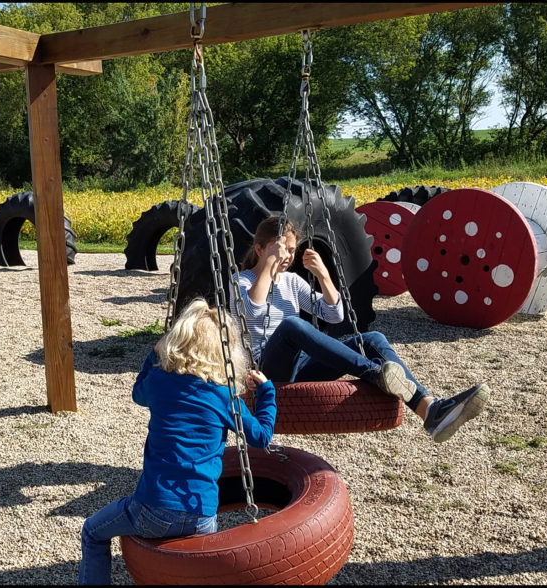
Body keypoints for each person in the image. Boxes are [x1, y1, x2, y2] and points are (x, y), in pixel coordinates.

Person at [233, 215, 488, 444]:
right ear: (259, 249)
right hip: (264, 370)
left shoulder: (291, 282)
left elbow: (334, 314)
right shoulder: (241, 281)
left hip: (299, 366)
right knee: (292, 325)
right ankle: (376, 374)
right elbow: (253, 310)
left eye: (290, 250)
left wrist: (323, 275)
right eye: (279, 250)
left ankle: (430, 410)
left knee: (371, 339)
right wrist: (268, 265)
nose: (286, 256)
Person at [78, 298, 276, 585]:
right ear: (226, 354)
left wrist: (152, 355)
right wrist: (268, 392)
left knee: (92, 532)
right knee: (197, 572)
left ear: (177, 340)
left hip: (152, 509)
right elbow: (261, 437)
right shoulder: (224, 396)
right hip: (202, 515)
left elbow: (137, 393)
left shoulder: (159, 381)